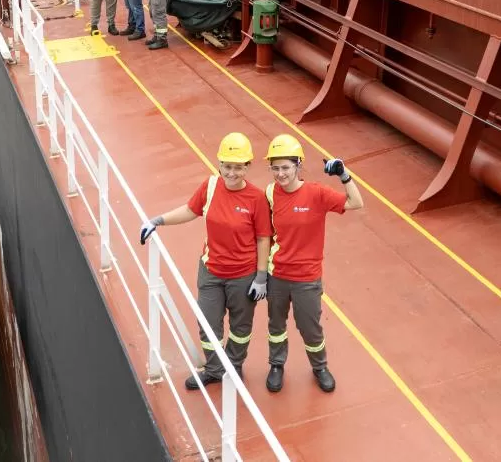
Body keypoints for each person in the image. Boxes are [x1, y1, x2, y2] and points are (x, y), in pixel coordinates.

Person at [139, 133, 273, 390]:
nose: (231, 173)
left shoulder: (256, 199)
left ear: (247, 167)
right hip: (211, 271)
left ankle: (234, 366)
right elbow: (191, 210)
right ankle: (213, 369)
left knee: (240, 326)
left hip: (243, 275)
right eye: (227, 166)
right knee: (208, 324)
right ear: (219, 164)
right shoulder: (210, 187)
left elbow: (263, 239)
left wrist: (260, 276)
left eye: (238, 167)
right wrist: (158, 220)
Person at [261, 134, 364, 394]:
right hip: (278, 275)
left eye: (286, 167)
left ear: (298, 165)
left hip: (307, 278)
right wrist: (260, 274)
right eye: (275, 168)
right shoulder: (270, 192)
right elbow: (264, 233)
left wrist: (344, 175)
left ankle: (320, 367)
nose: (280, 174)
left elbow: (355, 202)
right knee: (276, 325)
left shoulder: (317, 194)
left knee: (310, 327)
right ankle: (276, 365)